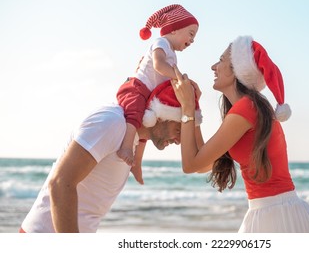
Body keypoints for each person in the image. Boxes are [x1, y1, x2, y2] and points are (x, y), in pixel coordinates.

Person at [171, 35, 309, 232]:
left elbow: (190, 164)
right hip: (274, 211)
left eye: (221, 60)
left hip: (273, 215)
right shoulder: (249, 107)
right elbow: (203, 163)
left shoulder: (246, 109)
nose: (213, 66)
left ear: (236, 71)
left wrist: (187, 107)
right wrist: (194, 109)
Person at [20, 80, 202, 233]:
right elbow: (60, 184)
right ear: (161, 116)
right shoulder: (112, 123)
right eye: (178, 129)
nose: (179, 141)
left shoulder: (134, 139)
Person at [116, 4, 199, 167]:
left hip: (149, 93)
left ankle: (137, 163)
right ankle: (126, 147)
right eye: (191, 34)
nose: (192, 40)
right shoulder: (161, 43)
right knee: (135, 112)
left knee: (148, 124)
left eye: (194, 37)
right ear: (174, 29)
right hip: (137, 87)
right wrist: (180, 77)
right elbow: (159, 65)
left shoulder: (172, 54)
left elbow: (173, 80)